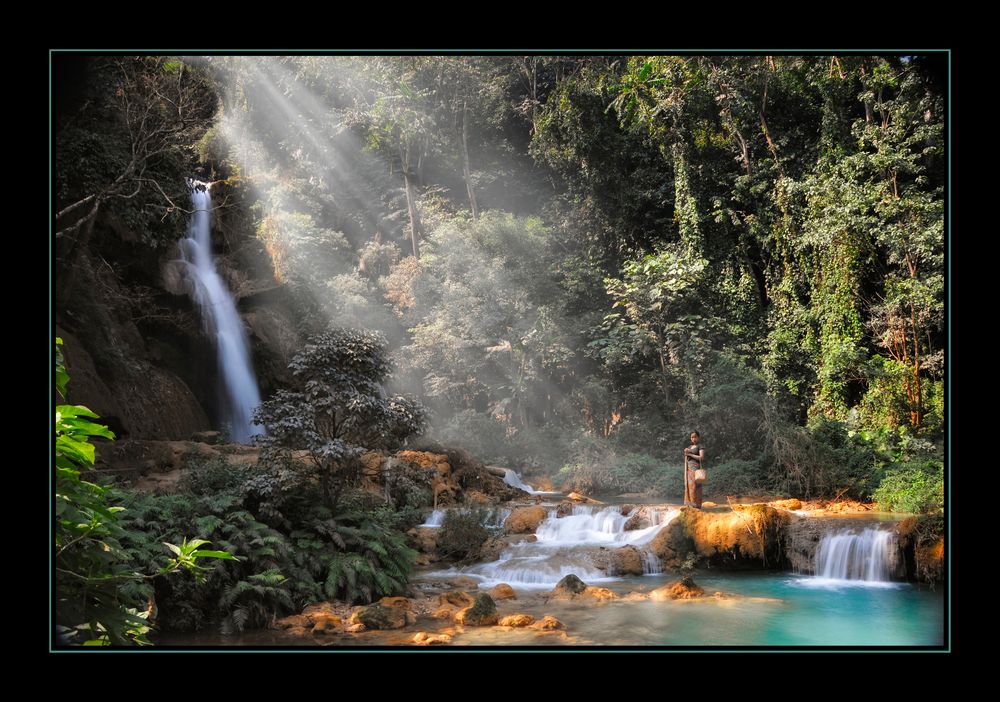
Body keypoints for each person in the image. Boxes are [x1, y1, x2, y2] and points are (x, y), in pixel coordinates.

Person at [683, 431, 705, 509]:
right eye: (692, 437)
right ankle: (690, 504)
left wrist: (690, 454)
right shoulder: (689, 447)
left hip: (696, 470)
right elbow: (686, 459)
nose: (693, 439)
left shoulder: (700, 446)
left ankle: (696, 505)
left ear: (698, 437)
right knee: (689, 487)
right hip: (688, 470)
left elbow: (701, 457)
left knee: (695, 487)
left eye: (695, 437)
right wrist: (686, 453)